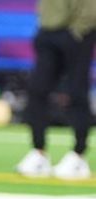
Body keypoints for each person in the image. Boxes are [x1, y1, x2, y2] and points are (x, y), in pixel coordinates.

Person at [15, 0, 95, 180]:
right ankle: (39, 152)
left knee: (77, 92)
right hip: (48, 31)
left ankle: (78, 155)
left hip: (78, 31)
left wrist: (79, 29)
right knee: (37, 90)